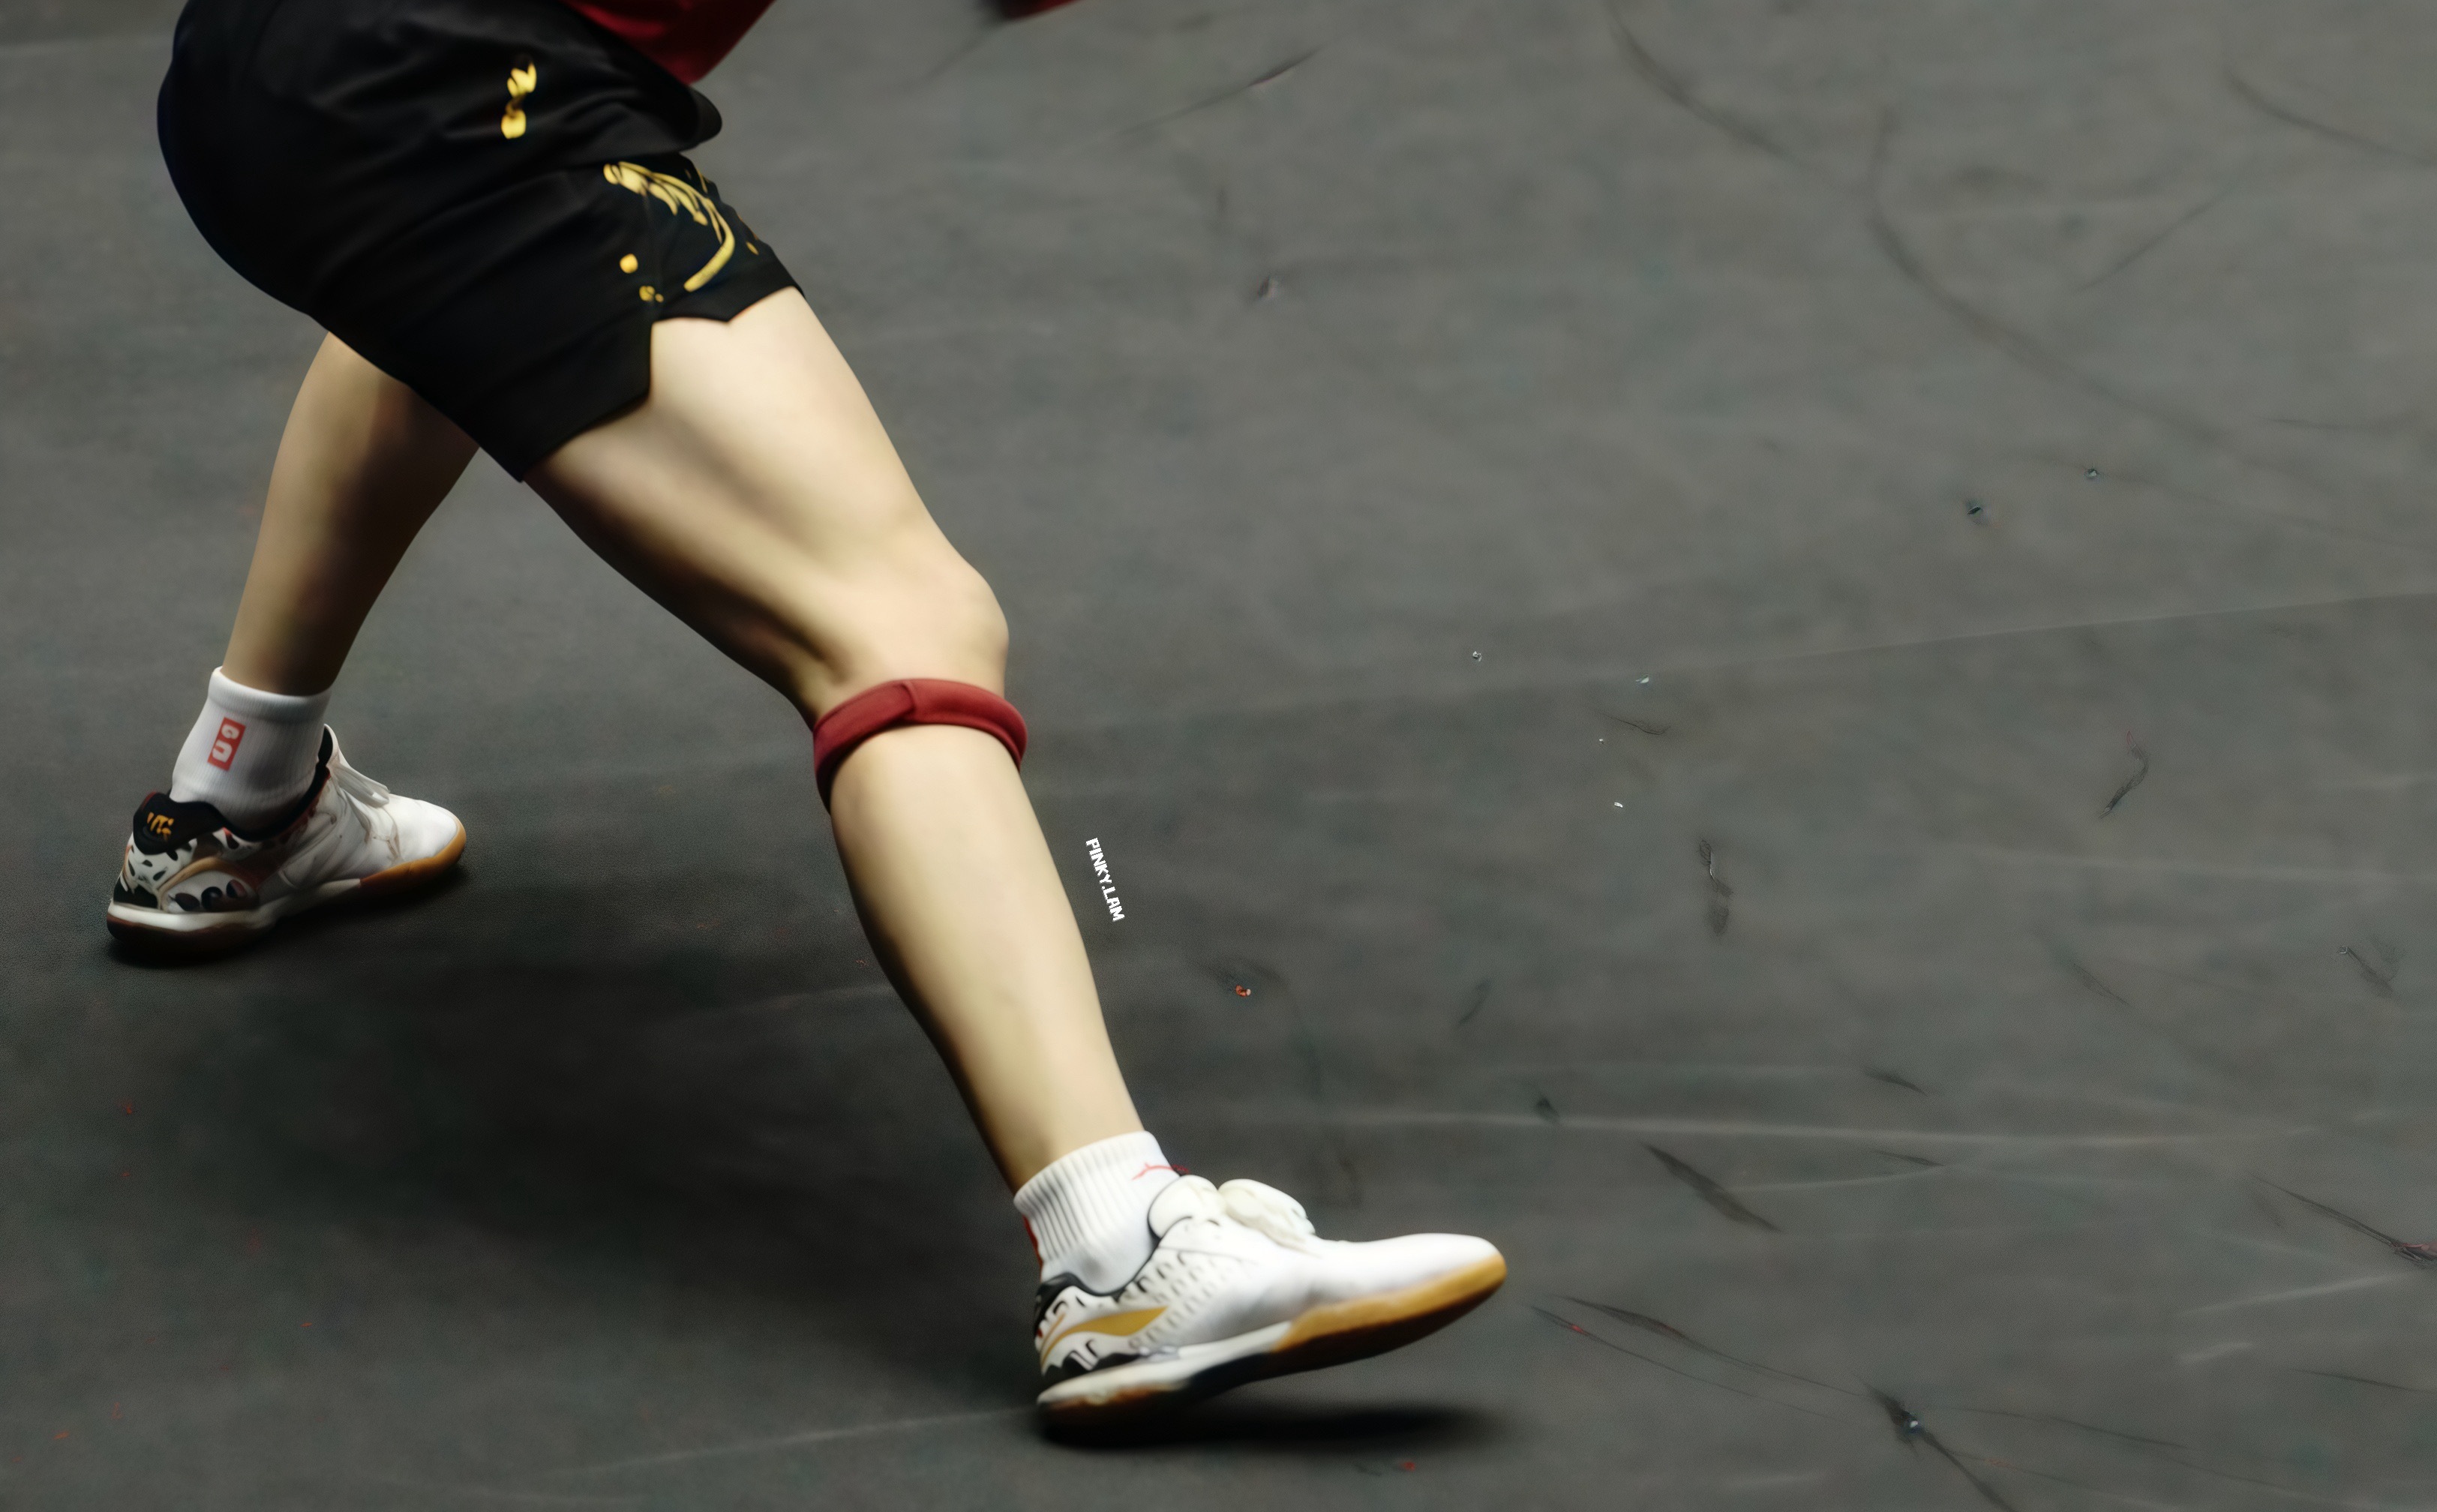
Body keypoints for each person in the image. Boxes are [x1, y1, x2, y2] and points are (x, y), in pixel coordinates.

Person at [116, 0, 1504, 1423]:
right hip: (462, 100)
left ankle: (242, 794)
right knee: (899, 625)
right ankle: (1119, 1253)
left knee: (449, 306)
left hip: (265, 65)